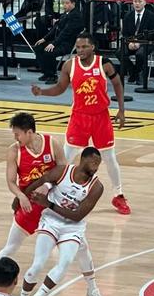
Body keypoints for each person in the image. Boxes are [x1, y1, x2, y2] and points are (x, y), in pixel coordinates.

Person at [32, 32, 132, 216]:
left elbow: (118, 84)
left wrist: (121, 110)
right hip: (80, 117)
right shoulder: (69, 65)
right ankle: (47, 188)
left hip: (101, 117)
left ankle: (118, 195)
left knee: (109, 158)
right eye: (78, 47)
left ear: (92, 47)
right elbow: (60, 88)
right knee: (65, 158)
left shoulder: (104, 63)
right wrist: (42, 92)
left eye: (84, 46)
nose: (80, 50)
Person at [0, 112, 66, 292]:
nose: (15, 138)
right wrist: (21, 196)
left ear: (29, 132)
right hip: (29, 204)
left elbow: (63, 170)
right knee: (10, 247)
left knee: (77, 245)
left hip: (53, 203)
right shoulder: (14, 151)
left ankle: (92, 287)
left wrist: (48, 185)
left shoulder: (52, 143)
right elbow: (11, 181)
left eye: (17, 134)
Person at [20, 147, 106, 296]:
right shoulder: (62, 171)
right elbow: (38, 183)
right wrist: (20, 198)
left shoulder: (97, 187)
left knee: (65, 262)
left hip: (73, 226)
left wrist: (48, 203)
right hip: (51, 221)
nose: (96, 167)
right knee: (38, 264)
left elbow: (77, 216)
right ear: (83, 159)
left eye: (98, 164)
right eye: (94, 162)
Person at [33, 0, 84, 84]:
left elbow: (66, 32)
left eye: (67, 3)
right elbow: (55, 28)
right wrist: (44, 39)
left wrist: (54, 44)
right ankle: (46, 73)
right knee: (38, 47)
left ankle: (53, 76)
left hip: (68, 43)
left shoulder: (76, 16)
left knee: (49, 51)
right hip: (59, 41)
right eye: (63, 3)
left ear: (73, 3)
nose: (64, 5)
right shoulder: (65, 14)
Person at [120, 0, 154, 84]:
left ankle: (138, 74)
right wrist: (129, 42)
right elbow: (125, 33)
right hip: (131, 42)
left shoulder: (151, 16)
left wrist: (139, 43)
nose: (137, 4)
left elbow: (152, 34)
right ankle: (132, 71)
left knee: (140, 54)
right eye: (135, 2)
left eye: (140, 2)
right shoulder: (128, 15)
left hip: (146, 42)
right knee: (119, 52)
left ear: (144, 3)